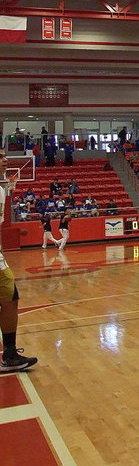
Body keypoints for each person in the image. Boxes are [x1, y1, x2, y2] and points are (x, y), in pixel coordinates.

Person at [0, 148, 38, 372]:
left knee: (11, 298)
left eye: (5, 156)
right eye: (1, 157)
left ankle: (10, 354)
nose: (6, 161)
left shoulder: (2, 191)